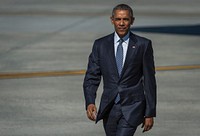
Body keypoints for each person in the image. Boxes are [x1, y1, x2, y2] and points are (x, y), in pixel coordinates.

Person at [83, 4, 157, 136]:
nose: (121, 23)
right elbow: (92, 76)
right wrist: (90, 101)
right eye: (118, 19)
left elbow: (149, 81)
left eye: (126, 19)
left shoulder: (143, 45)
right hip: (109, 107)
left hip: (133, 107)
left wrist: (149, 113)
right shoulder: (100, 45)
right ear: (112, 20)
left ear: (132, 21)